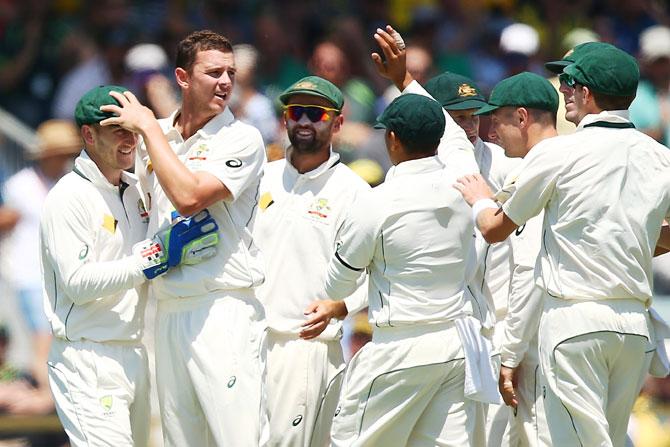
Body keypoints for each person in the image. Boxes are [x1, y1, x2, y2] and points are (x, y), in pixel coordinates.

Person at [455, 43, 670, 446]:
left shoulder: (560, 152)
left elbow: (495, 229)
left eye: (569, 82)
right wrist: (630, 235)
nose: (563, 91)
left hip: (575, 321)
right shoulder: (659, 156)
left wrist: (480, 198)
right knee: (607, 437)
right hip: (634, 329)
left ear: (587, 93)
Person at [101, 30, 269, 446]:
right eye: (213, 73)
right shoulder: (155, 134)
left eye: (230, 72)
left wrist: (148, 130)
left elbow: (190, 196)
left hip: (223, 306)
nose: (226, 82)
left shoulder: (241, 138)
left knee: (239, 439)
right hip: (168, 310)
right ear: (182, 77)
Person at [40, 85, 218, 447]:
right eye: (116, 130)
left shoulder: (136, 189)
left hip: (136, 352)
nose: (128, 140)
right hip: (87, 355)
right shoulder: (68, 197)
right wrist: (155, 257)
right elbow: (78, 283)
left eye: (131, 130)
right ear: (88, 135)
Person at [324, 91, 496, 446]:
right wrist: (404, 79)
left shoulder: (376, 203)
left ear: (392, 139)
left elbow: (336, 286)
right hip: (456, 348)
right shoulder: (467, 187)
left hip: (399, 348)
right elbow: (459, 148)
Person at [253, 75, 370, 447]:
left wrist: (343, 306)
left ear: (336, 123)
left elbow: (377, 272)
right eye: (295, 111)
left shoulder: (355, 193)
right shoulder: (259, 179)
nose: (304, 121)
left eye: (315, 113)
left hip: (308, 346)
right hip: (249, 339)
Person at [474, 71, 561, 447]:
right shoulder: (580, 156)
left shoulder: (536, 169)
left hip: (537, 339)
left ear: (523, 118)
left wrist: (509, 355)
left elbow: (528, 272)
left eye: (499, 121)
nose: (492, 133)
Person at [2, 119, 81, 389]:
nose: (65, 159)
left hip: (63, 275)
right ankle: (48, 399)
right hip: (31, 275)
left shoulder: (70, 183)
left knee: (55, 338)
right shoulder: (20, 185)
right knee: (44, 340)